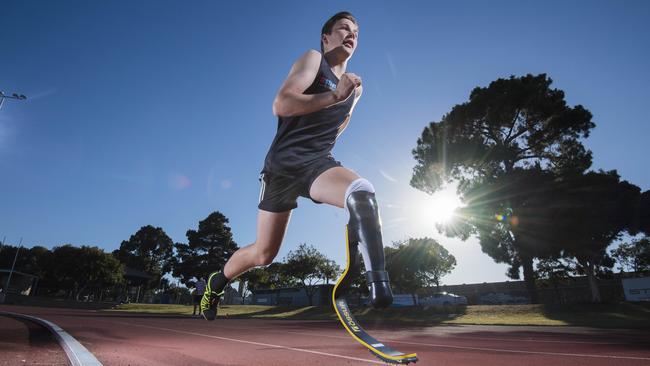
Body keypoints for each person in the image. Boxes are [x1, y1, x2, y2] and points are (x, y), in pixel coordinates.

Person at [201, 11, 393, 321]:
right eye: (343, 27)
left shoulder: (356, 88)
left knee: (361, 192)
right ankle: (217, 281)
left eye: (356, 31)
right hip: (282, 166)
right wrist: (333, 95)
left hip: (317, 162)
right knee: (264, 254)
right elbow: (282, 104)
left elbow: (340, 123)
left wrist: (339, 106)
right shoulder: (313, 60)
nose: (351, 33)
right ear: (325, 37)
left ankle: (378, 284)